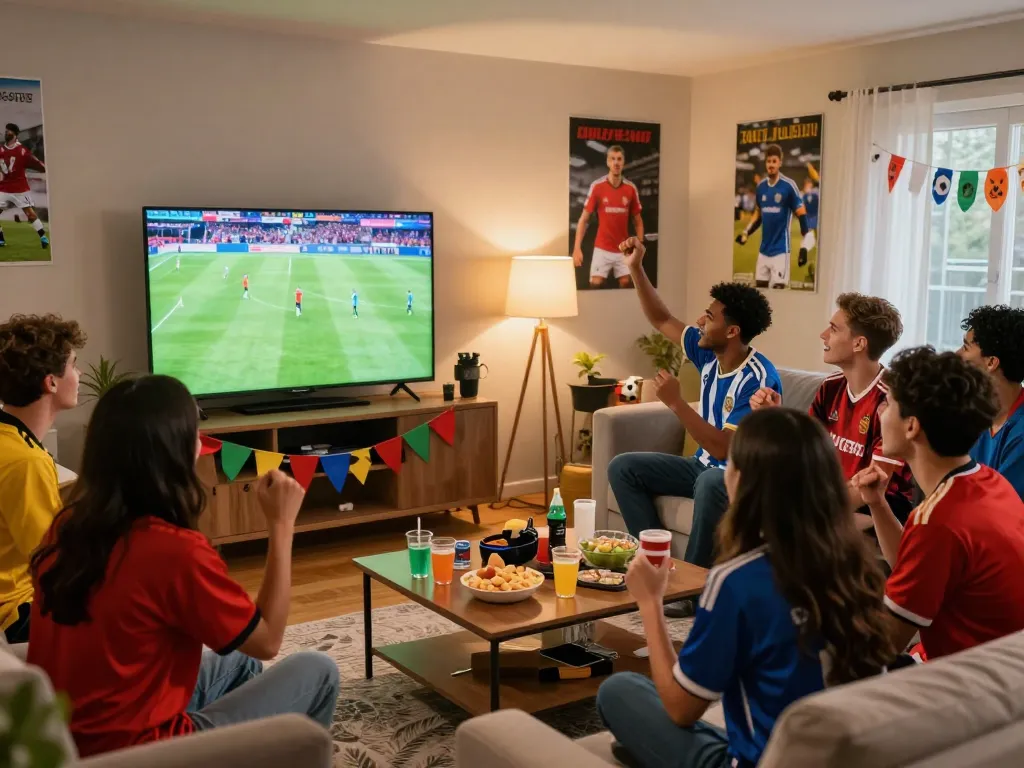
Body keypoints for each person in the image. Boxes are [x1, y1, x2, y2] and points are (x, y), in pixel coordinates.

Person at [28, 376, 340, 757]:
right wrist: (281, 524)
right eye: (195, 433)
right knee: (319, 671)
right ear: (173, 452)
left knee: (240, 660)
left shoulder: (67, 524)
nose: (201, 444)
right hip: (143, 753)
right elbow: (268, 640)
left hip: (72, 738)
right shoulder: (174, 551)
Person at [598, 408, 895, 768]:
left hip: (767, 762)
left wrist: (650, 603)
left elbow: (681, 708)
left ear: (740, 481)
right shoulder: (861, 567)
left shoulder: (738, 580)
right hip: (849, 756)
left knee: (618, 690)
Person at [609, 235, 779, 617]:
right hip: (700, 467)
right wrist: (636, 268)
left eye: (710, 316)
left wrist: (675, 402)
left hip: (737, 478)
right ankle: (656, 567)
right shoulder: (708, 354)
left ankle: (690, 589)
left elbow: (724, 450)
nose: (701, 321)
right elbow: (661, 319)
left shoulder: (757, 379)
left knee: (710, 480)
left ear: (732, 331)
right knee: (623, 467)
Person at [851, 347, 1024, 661]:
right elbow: (915, 564)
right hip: (999, 664)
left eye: (887, 403)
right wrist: (877, 503)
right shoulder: (988, 481)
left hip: (968, 676)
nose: (879, 412)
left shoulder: (937, 521)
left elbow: (881, 647)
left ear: (912, 426)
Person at [752, 293, 915, 523]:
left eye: (834, 329)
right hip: (830, 498)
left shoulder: (892, 401)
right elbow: (806, 452)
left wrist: (808, 510)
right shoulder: (830, 387)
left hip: (878, 508)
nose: (823, 335)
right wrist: (775, 417)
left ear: (859, 343)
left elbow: (873, 486)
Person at [0, 314, 85, 644]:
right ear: (51, 383)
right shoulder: (26, 462)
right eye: (74, 365)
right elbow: (53, 563)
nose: (79, 375)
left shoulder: (12, 440)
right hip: (15, 611)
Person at [956, 305, 1024, 499]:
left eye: (965, 347)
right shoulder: (972, 414)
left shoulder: (1020, 433)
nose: (957, 354)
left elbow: (995, 506)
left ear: (991, 362)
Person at [734, 144, 812, 289]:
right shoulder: (761, 187)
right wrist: (746, 233)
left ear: (780, 163)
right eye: (769, 161)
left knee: (778, 292)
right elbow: (758, 215)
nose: (771, 165)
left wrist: (804, 246)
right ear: (765, 163)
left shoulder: (788, 186)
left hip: (781, 252)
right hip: (763, 251)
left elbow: (801, 214)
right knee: (759, 291)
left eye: (774, 161)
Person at [572, 145, 643, 289]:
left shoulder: (630, 188)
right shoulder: (597, 187)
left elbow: (638, 221)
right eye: (613, 159)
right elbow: (584, 219)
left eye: (619, 159)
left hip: (623, 249)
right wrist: (576, 248)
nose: (616, 163)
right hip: (602, 248)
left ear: (623, 162)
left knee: (626, 284)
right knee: (595, 284)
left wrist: (639, 248)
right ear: (608, 162)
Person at [0, 123, 49, 250]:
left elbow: (38, 164)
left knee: (30, 215)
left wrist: (46, 168)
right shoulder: (1, 150)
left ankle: (43, 237)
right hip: (4, 188)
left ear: (15, 134)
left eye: (9, 131)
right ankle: (1, 238)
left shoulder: (23, 151)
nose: (7, 133)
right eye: (6, 131)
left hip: (20, 189)